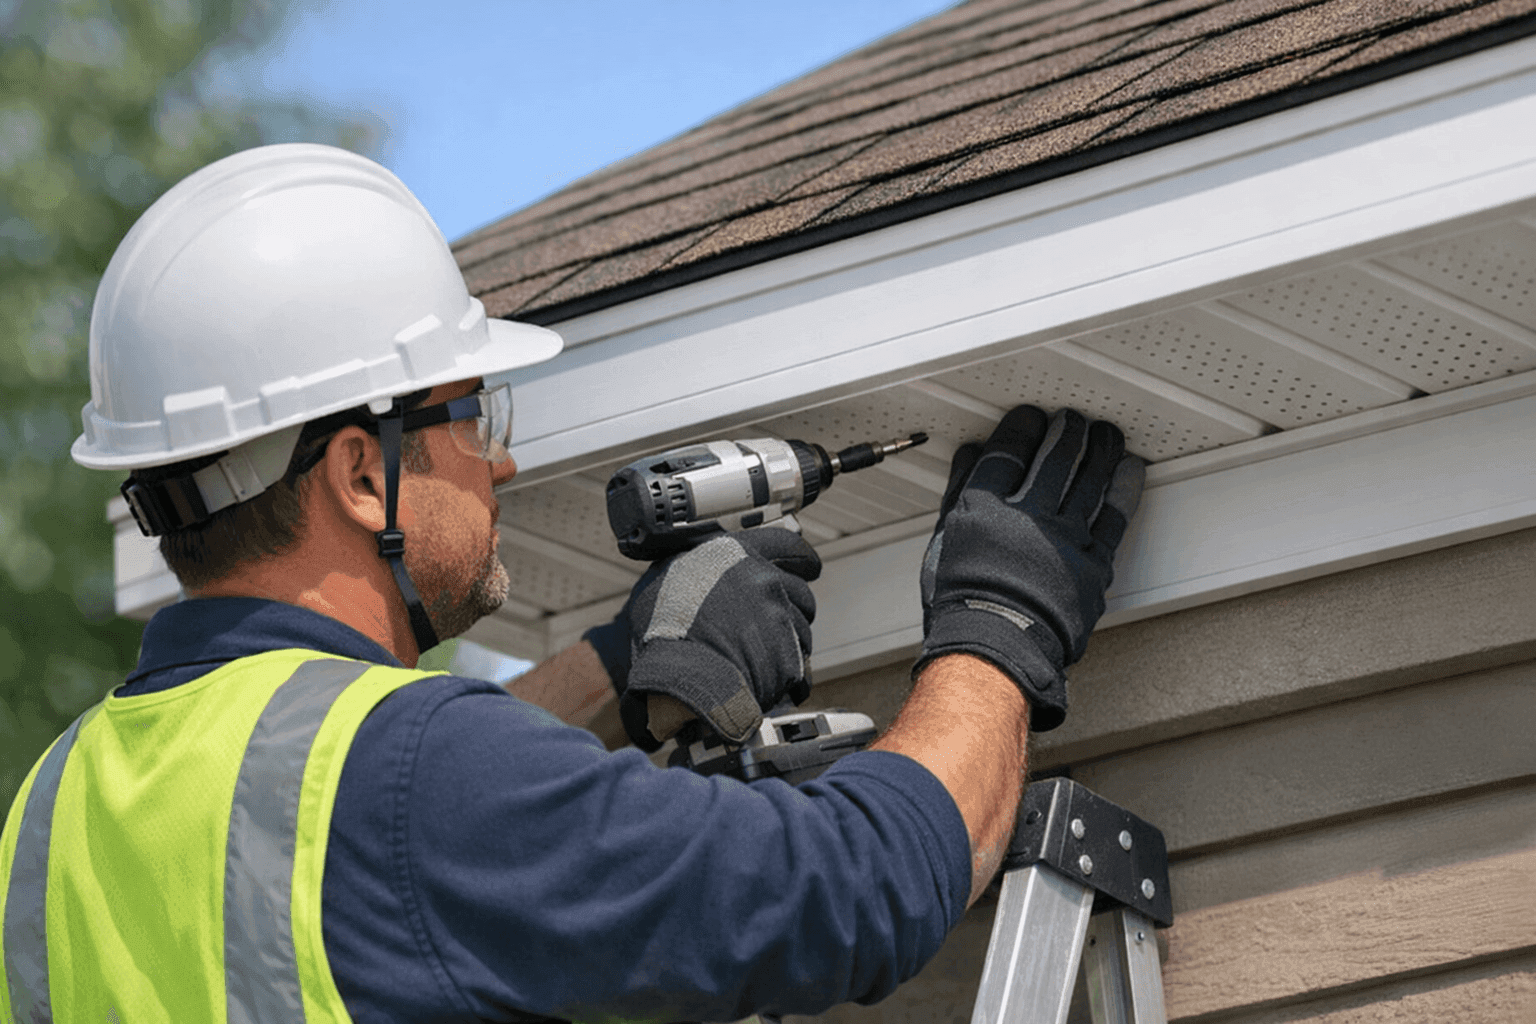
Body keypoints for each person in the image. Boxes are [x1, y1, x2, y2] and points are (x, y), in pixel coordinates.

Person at [0, 145, 1143, 1024]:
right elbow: (851, 887)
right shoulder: (419, 781)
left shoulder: (52, 817)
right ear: (361, 473)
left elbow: (362, 844)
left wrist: (614, 662)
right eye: (468, 413)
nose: (499, 459)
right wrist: (998, 624)